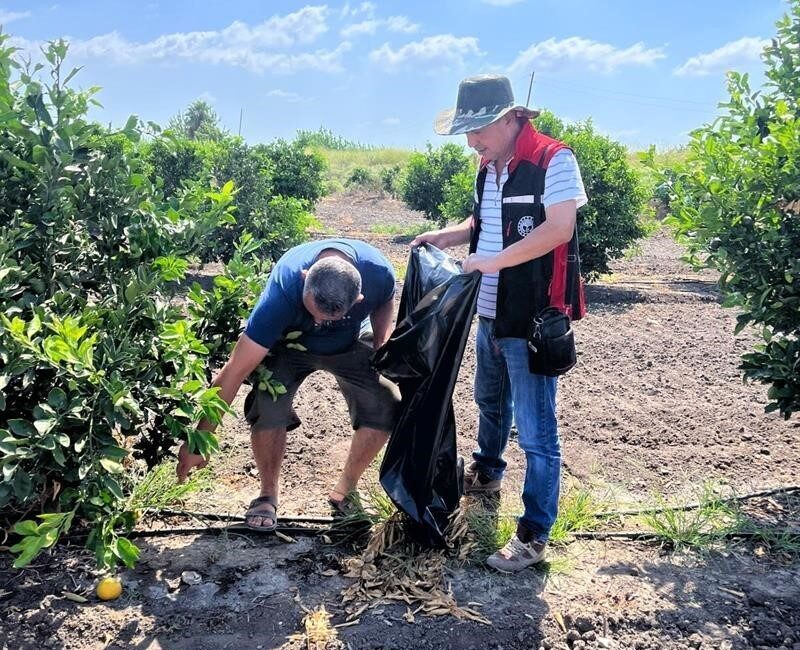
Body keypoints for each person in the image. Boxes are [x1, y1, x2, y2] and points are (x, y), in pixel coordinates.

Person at [412, 74, 587, 571]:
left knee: (536, 430)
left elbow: (559, 228)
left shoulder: (553, 160)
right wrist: (445, 238)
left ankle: (534, 535)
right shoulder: (487, 168)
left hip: (530, 316)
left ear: (512, 117)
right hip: (487, 312)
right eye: (466, 132)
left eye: (478, 129)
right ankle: (487, 472)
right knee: (488, 399)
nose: (471, 141)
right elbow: (480, 226)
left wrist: (490, 263)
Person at [176, 238, 401, 531]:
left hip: (348, 343)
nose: (318, 322)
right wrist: (199, 440)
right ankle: (267, 496)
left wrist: (383, 340)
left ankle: (344, 491)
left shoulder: (378, 273)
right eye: (313, 313)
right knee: (268, 404)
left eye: (328, 318)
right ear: (305, 277)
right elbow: (234, 371)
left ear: (358, 300)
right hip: (289, 344)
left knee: (385, 402)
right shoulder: (282, 294)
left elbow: (385, 299)